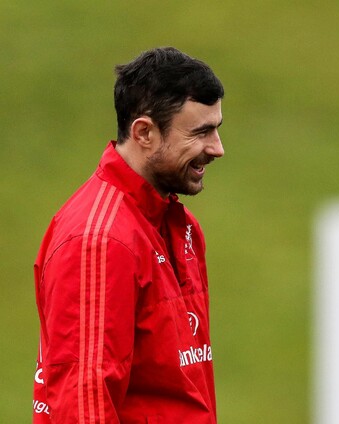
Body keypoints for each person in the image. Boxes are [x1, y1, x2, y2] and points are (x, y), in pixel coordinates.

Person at [32, 47, 225, 423]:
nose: (217, 148)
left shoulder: (181, 227)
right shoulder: (100, 240)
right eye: (201, 132)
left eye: (216, 129)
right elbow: (83, 406)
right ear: (144, 133)